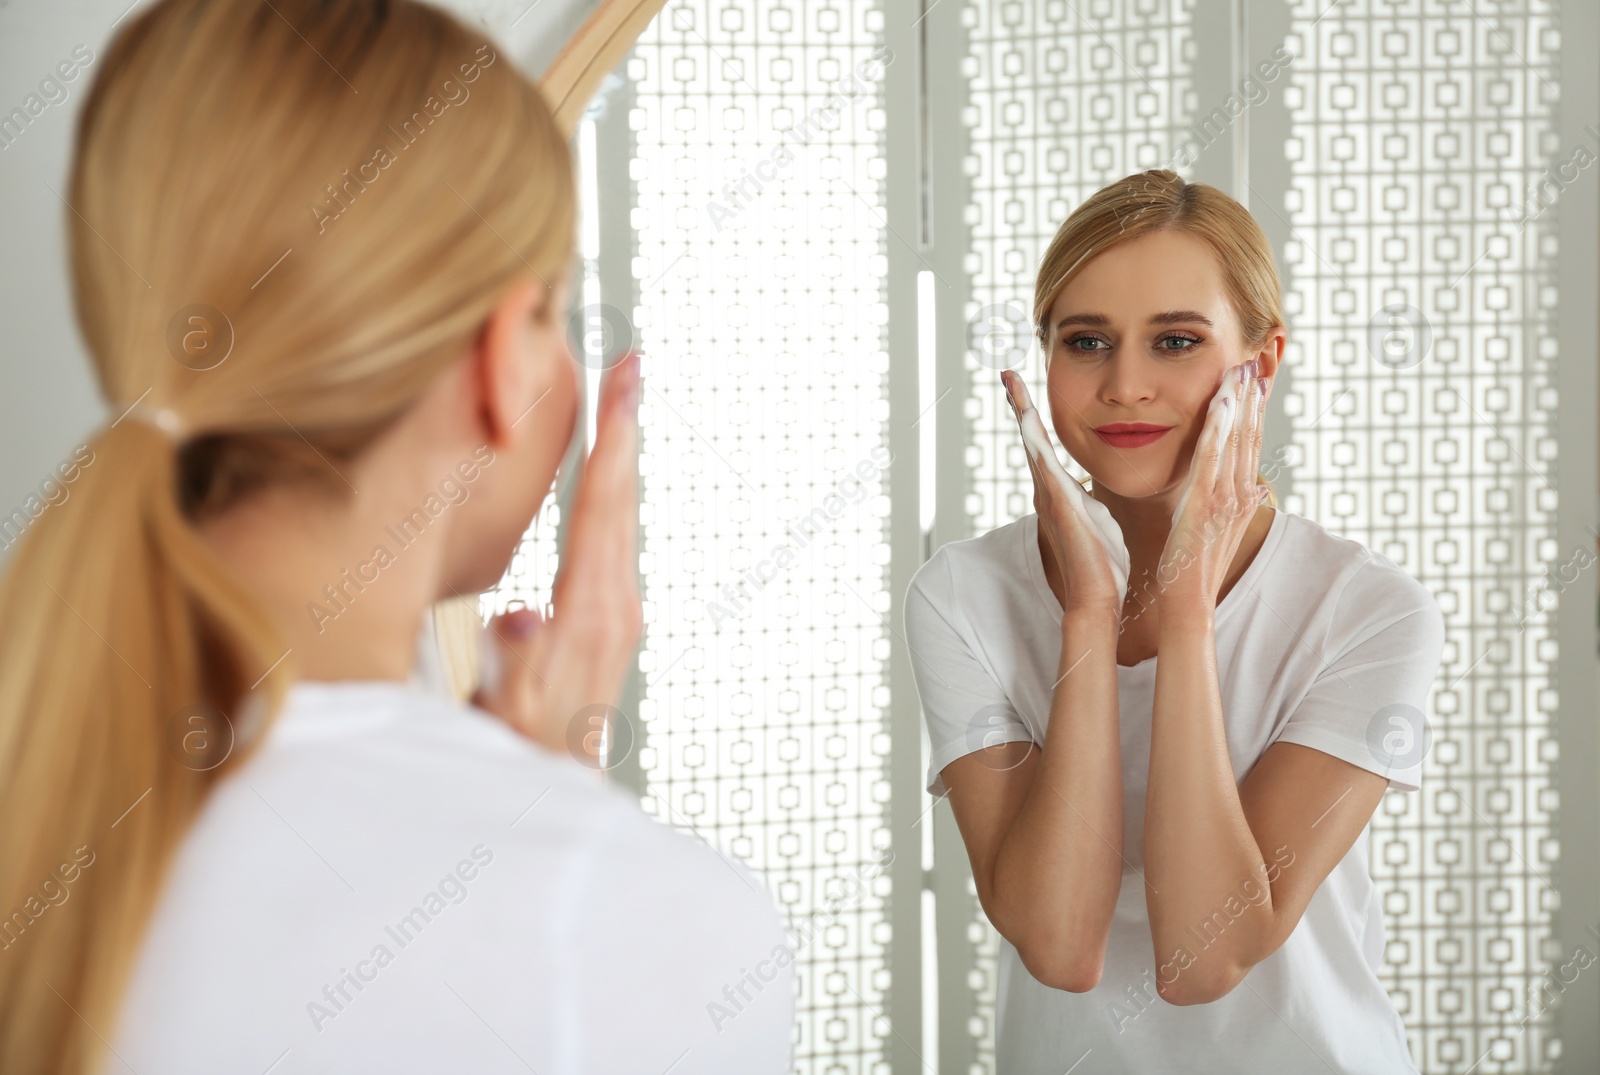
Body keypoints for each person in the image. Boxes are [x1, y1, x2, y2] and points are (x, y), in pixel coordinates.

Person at [0, 2, 794, 1072]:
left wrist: (531, 794)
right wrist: (556, 830)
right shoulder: (653, 928)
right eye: (554, 310)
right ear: (502, 359)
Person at [903, 169, 1445, 1073]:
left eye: (1176, 341)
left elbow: (1208, 954)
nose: (1124, 385)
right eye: (1086, 341)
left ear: (1260, 366)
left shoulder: (1369, 613)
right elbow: (1061, 945)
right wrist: (1088, 615)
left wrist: (1186, 615)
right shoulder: (962, 595)